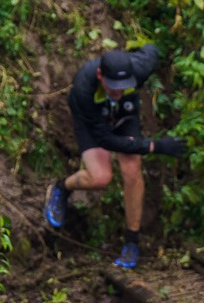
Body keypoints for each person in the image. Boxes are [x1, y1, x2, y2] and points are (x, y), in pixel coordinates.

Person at [46, 44, 188, 271]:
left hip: (124, 113)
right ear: (101, 75)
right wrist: (155, 146)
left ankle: (132, 242)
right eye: (113, 87)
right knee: (100, 178)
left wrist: (134, 48)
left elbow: (153, 49)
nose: (118, 91)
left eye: (124, 87)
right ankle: (62, 188)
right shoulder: (84, 86)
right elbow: (106, 140)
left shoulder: (139, 68)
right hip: (92, 120)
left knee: (132, 170)